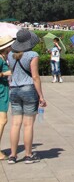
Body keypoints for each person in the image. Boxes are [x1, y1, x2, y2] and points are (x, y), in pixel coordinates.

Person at [6, 29, 46, 164]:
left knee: (15, 124)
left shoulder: (10, 54)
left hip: (14, 90)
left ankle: (12, 155)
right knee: (28, 125)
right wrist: (41, 96)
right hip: (28, 89)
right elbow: (35, 77)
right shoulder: (32, 54)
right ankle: (28, 155)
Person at [0, 35, 13, 159]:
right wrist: (6, 73)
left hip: (3, 90)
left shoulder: (3, 58)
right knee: (3, 120)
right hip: (1, 92)